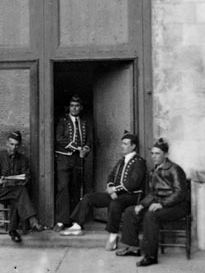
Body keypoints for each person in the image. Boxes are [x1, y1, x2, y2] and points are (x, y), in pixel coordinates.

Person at [60, 130, 147, 252]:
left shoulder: (139, 162)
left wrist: (115, 190)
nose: (122, 146)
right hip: (116, 194)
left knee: (115, 204)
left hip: (131, 196)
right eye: (122, 143)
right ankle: (77, 226)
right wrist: (111, 187)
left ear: (133, 146)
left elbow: (133, 183)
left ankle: (113, 236)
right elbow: (111, 176)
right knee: (88, 198)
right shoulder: (121, 161)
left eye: (126, 144)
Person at [116, 138, 189, 267]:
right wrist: (141, 205)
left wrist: (162, 204)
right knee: (131, 211)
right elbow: (152, 194)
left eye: (157, 153)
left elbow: (180, 193)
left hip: (178, 206)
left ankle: (150, 256)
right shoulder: (153, 171)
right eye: (152, 153)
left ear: (165, 155)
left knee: (151, 216)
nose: (154, 156)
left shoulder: (175, 169)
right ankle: (133, 248)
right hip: (160, 203)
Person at [0, 130, 44, 242]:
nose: (14, 147)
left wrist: (23, 179)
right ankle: (32, 220)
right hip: (1, 191)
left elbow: (27, 177)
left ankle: (13, 232)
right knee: (19, 192)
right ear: (7, 143)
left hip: (16, 191)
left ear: (19, 145)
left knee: (18, 195)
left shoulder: (23, 160)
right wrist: (0, 181)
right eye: (11, 144)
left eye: (16, 145)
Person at [54, 95, 91, 232]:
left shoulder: (84, 122)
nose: (74, 108)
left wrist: (85, 149)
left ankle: (75, 220)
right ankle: (61, 220)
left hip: (78, 159)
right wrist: (77, 147)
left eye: (76, 106)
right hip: (64, 159)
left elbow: (88, 140)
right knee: (63, 188)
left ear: (80, 108)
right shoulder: (62, 121)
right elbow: (59, 139)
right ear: (68, 107)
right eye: (72, 106)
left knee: (76, 188)